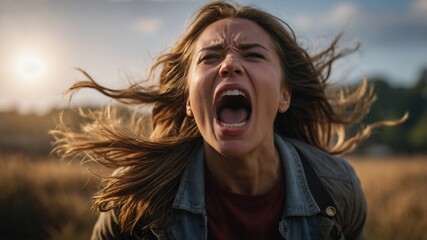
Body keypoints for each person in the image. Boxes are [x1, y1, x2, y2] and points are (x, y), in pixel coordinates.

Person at [52, 1, 405, 239]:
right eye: (209, 57)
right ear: (189, 101)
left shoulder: (337, 189)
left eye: (252, 54)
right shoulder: (140, 198)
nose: (229, 64)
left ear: (284, 95)